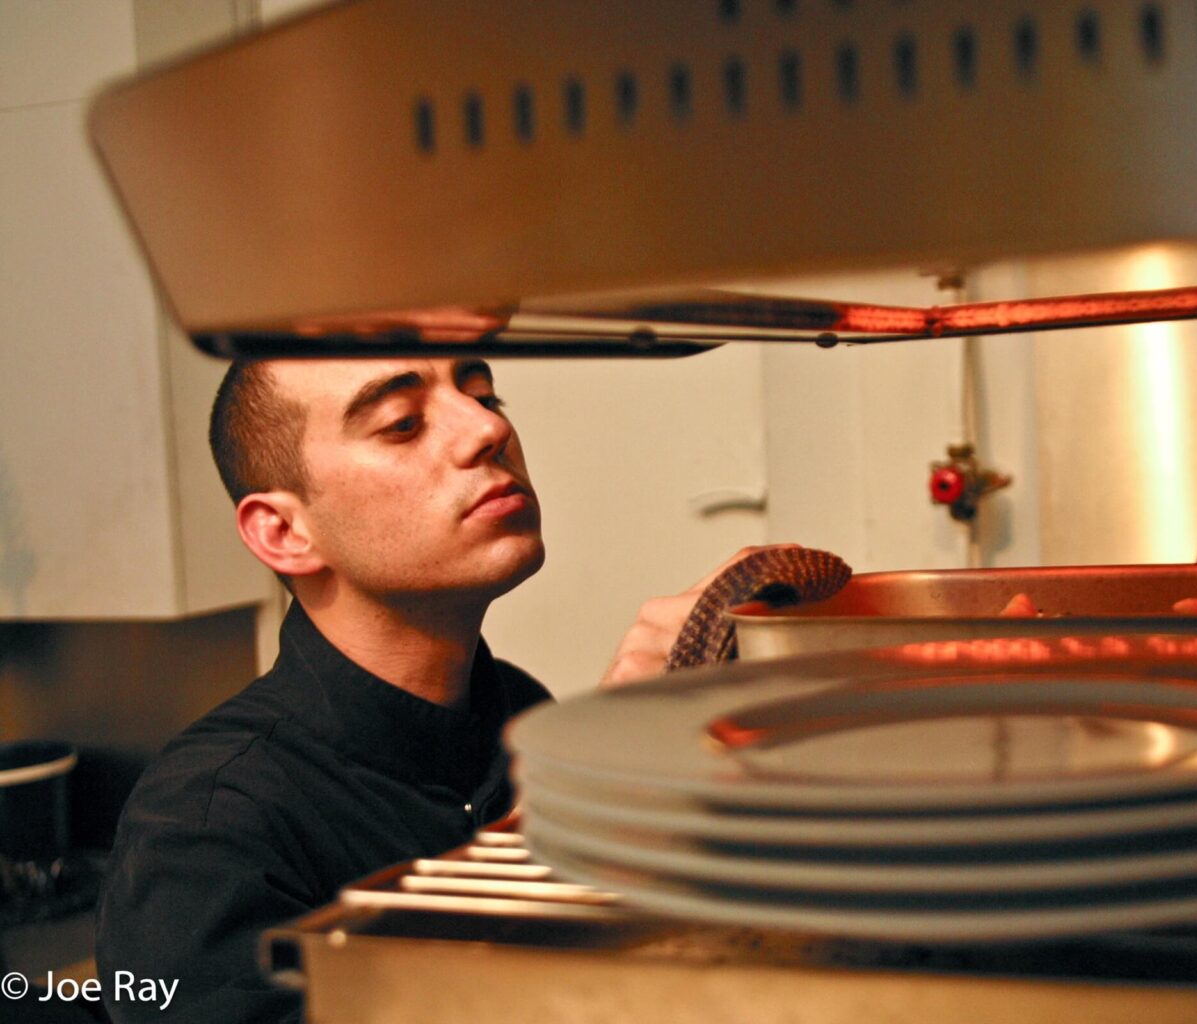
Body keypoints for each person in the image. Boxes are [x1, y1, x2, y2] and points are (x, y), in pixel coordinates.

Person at [95, 356, 763, 1023]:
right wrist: (580, 814)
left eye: (485, 396)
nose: (487, 429)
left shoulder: (514, 706)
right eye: (402, 423)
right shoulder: (203, 824)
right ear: (285, 532)